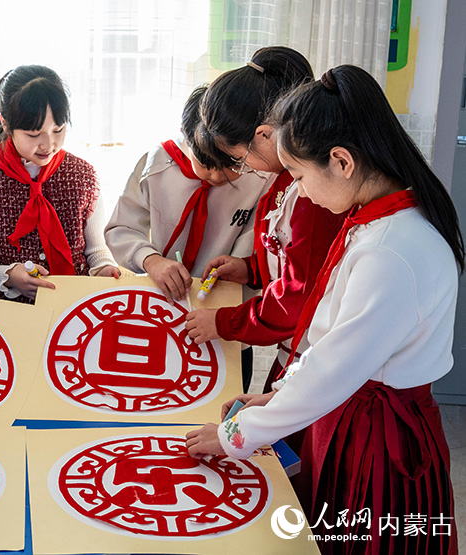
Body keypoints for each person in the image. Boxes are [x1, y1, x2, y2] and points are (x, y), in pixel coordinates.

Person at [187, 65, 461, 555]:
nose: (300, 190)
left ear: (340, 161)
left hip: (377, 437)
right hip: (353, 410)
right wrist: (276, 399)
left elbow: (334, 368)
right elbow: (329, 342)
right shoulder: (378, 222)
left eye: (298, 174)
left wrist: (235, 435)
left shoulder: (390, 250)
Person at [184, 46, 345, 392]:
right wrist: (251, 269)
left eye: (240, 160)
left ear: (265, 135)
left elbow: (299, 297)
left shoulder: (311, 194)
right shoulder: (285, 180)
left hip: (318, 355)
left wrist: (224, 322)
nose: (244, 170)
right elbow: (295, 258)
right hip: (298, 350)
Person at [105, 85, 270, 390]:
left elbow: (258, 247)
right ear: (185, 138)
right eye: (205, 163)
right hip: (159, 312)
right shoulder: (154, 165)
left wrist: (243, 265)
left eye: (230, 165)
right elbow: (121, 229)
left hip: (226, 321)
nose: (217, 176)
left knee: (222, 401)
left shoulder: (259, 177)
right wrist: (151, 260)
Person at [0, 65, 118, 303]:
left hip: (72, 308)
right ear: (5, 123)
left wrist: (105, 268)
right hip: (7, 314)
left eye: (58, 130)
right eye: (33, 134)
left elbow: (97, 251)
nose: (48, 144)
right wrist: (7, 276)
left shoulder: (83, 176)